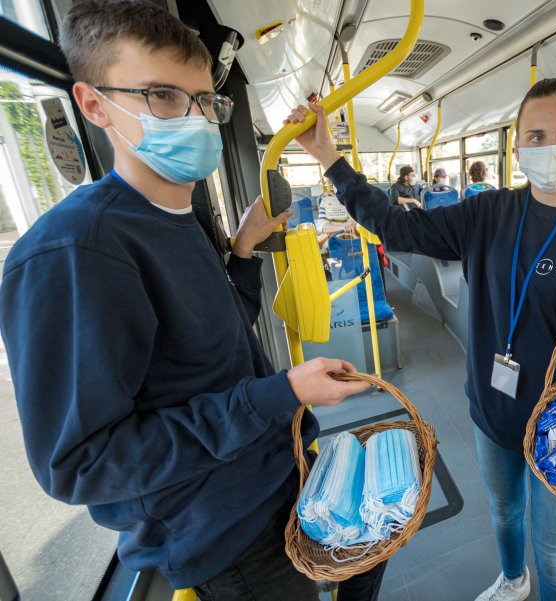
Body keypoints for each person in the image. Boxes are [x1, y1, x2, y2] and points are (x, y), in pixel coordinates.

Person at [0, 2, 386, 600]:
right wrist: (279, 394)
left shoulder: (182, 217)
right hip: (226, 532)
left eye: (207, 102)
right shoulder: (77, 253)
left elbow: (211, 349)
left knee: (370, 554)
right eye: (163, 97)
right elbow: (82, 464)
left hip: (276, 471)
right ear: (94, 104)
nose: (198, 119)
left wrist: (243, 252)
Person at [286, 77, 556, 601]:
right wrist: (330, 159)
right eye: (536, 136)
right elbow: (397, 228)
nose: (551, 147)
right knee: (505, 514)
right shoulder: (489, 213)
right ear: (516, 146)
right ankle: (512, 580)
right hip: (492, 407)